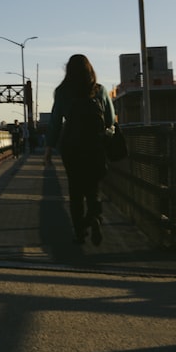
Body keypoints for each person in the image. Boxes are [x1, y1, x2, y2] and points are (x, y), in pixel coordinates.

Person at [43, 54, 115, 245]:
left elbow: (55, 122)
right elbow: (110, 120)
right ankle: (95, 218)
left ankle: (79, 232)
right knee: (93, 189)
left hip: (71, 147)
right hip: (95, 146)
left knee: (75, 190)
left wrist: (49, 148)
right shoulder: (99, 90)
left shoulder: (62, 91)